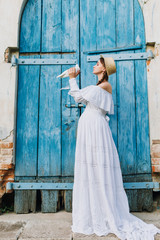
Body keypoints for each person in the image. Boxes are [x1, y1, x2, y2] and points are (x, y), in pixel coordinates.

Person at [67, 56, 160, 240]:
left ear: (104, 69)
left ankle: (104, 213)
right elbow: (86, 101)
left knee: (98, 168)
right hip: (90, 129)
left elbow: (78, 96)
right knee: (89, 169)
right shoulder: (97, 88)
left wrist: (72, 78)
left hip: (95, 130)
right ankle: (93, 213)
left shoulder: (104, 86)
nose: (94, 66)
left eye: (97, 64)